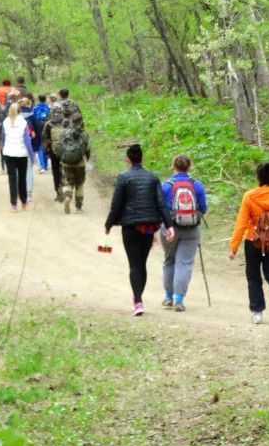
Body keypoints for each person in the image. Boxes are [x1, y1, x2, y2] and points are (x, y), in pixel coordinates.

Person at [105, 143, 175, 316]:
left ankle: (137, 301)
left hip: (130, 227)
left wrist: (109, 224)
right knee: (141, 264)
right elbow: (161, 203)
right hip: (148, 228)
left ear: (127, 159)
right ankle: (138, 298)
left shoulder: (123, 177)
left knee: (134, 265)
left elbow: (116, 204)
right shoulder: (153, 177)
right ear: (142, 158)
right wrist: (170, 225)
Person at [228, 162, 269, 325]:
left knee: (253, 276)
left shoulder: (249, 196)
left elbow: (241, 224)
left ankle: (257, 312)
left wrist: (233, 248)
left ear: (257, 177)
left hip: (253, 241)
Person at [160, 155, 208, 312]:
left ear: (174, 167)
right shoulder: (197, 185)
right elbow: (203, 208)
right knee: (184, 263)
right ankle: (179, 300)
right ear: (189, 167)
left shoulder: (166, 186)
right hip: (191, 230)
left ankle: (168, 296)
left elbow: (160, 208)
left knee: (169, 260)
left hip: (169, 229)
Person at [0, 101, 35, 211]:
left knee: (12, 180)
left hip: (9, 154)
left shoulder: (5, 122)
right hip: (22, 154)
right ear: (20, 111)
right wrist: (32, 156)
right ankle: (24, 202)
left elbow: (3, 138)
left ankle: (14, 206)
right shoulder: (24, 122)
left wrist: (4, 148)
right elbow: (27, 141)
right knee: (22, 179)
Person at [57, 113, 92, 214]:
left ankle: (68, 197)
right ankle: (79, 208)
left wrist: (61, 158)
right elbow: (87, 149)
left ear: (71, 121)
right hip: (80, 163)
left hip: (66, 163)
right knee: (79, 184)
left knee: (67, 182)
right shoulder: (84, 134)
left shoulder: (64, 132)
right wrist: (87, 159)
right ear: (81, 122)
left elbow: (59, 147)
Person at [43, 92, 68, 201]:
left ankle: (58, 192)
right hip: (65, 150)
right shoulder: (66, 122)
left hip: (53, 151)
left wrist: (46, 152)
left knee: (55, 171)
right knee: (64, 169)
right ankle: (65, 186)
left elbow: (45, 139)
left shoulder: (48, 124)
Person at [31, 95, 51, 172]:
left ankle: (43, 166)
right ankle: (46, 165)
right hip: (47, 128)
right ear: (45, 99)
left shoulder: (35, 108)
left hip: (38, 128)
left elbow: (33, 119)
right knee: (47, 145)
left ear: (38, 100)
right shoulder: (49, 108)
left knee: (40, 146)